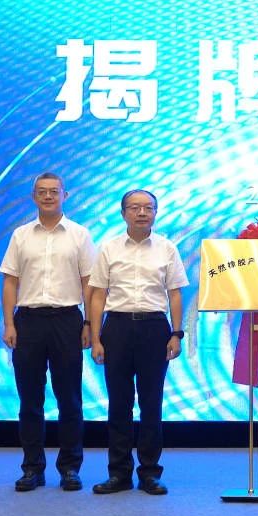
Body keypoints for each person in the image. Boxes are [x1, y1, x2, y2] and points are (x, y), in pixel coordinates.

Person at [0, 172, 97, 492]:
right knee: (30, 399)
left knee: (70, 399)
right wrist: (9, 323)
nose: (48, 196)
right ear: (34, 197)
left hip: (67, 320)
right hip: (28, 321)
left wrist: (89, 324)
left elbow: (89, 283)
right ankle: (32, 468)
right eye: (42, 191)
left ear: (65, 195)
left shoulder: (80, 235)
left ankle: (70, 468)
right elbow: (10, 281)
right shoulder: (21, 235)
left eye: (54, 191)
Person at [86, 189, 188, 495]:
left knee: (151, 403)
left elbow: (175, 294)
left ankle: (149, 473)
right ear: (123, 213)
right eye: (134, 207)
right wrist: (96, 338)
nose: (142, 213)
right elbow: (98, 295)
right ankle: (118, 473)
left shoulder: (167, 248)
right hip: (116, 327)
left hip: (154, 328)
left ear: (155, 213)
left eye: (148, 208)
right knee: (119, 404)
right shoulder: (109, 248)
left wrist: (177, 333)